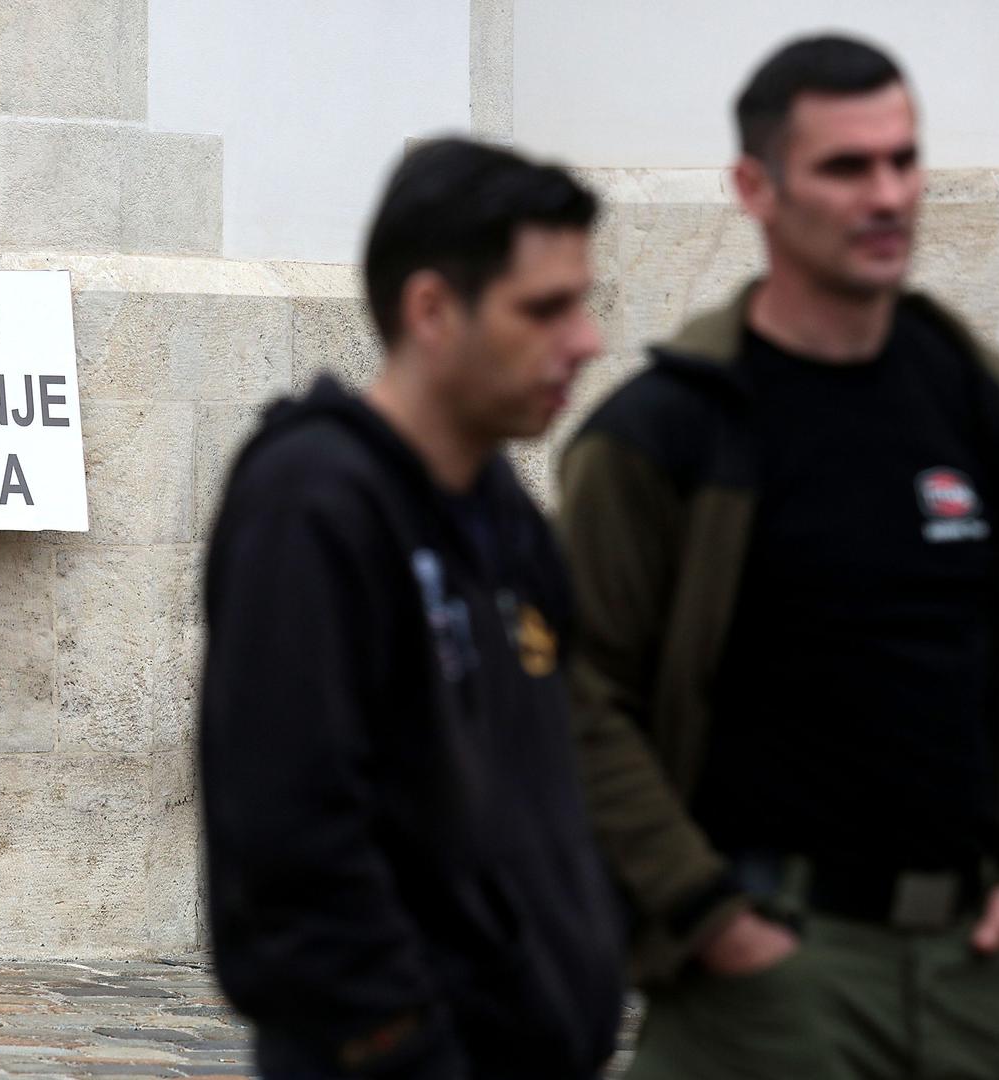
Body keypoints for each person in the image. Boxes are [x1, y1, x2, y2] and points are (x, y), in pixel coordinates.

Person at [558, 35, 999, 1079]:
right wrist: (702, 911)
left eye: (903, 159)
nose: (886, 195)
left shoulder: (978, 403)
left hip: (975, 974)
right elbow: (574, 692)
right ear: (755, 187)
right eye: (846, 167)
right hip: (768, 985)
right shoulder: (666, 434)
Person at [200, 137, 622, 1079]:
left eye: (581, 304)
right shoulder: (313, 503)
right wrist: (402, 1044)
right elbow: (290, 841)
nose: (586, 341)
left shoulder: (502, 510)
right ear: (432, 309)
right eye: (544, 309)